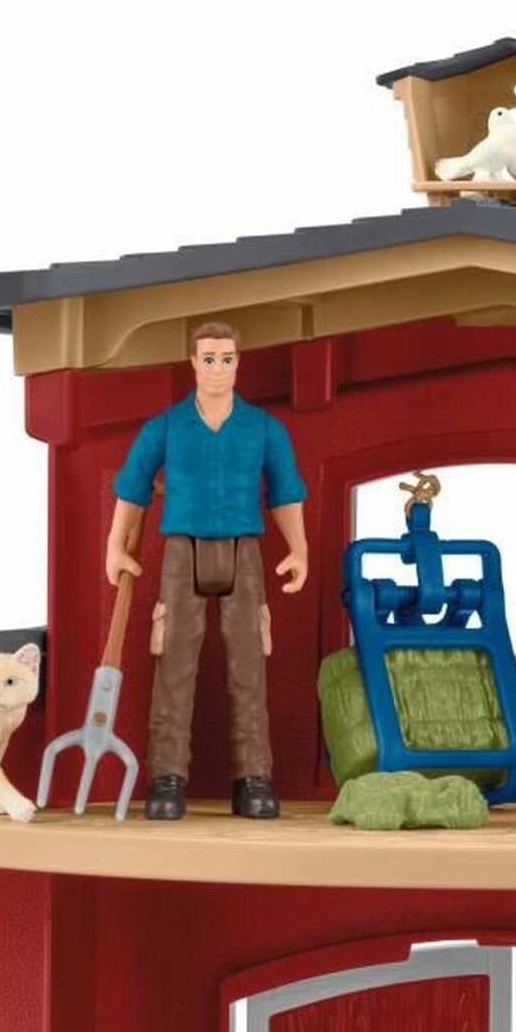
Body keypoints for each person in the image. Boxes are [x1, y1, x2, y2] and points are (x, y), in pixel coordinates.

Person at [106, 321, 307, 819]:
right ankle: (167, 777)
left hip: (244, 552)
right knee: (173, 666)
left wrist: (298, 547)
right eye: (209, 359)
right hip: (182, 552)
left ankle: (253, 776)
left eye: (227, 359)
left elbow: (285, 490)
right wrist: (115, 545)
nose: (218, 368)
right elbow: (132, 485)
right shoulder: (167, 426)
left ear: (239, 363)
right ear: (193, 362)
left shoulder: (262, 428)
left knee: (249, 667)